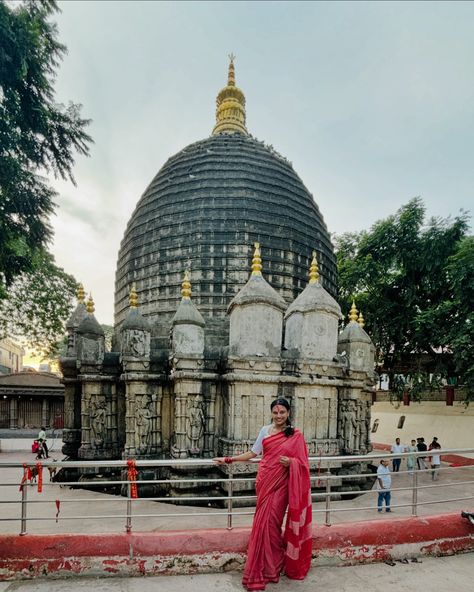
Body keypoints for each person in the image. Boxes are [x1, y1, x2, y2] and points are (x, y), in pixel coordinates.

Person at [214, 398, 312, 591]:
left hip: (282, 484)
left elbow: (302, 463)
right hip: (265, 480)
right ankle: (266, 567)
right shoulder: (264, 431)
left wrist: (291, 462)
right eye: (275, 413)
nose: (278, 416)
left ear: (288, 413)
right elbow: (253, 453)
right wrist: (228, 460)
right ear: (271, 413)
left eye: (282, 412)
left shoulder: (295, 435)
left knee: (272, 524)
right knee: (262, 523)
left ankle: (272, 566)